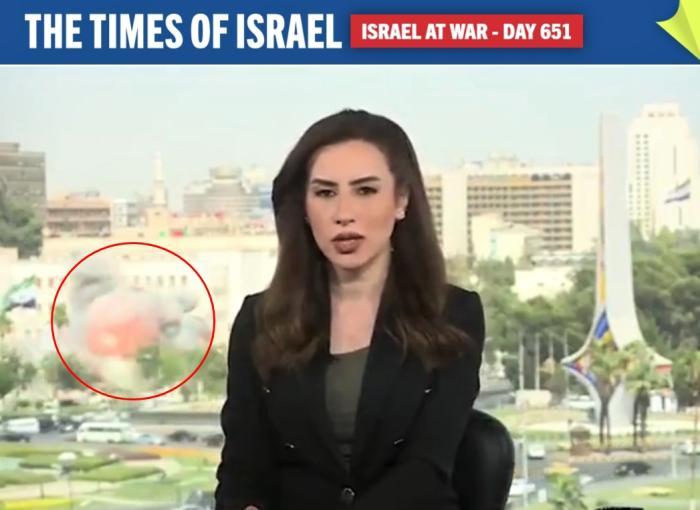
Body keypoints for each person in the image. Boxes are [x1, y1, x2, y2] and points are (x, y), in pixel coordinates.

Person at [214, 109, 485, 510]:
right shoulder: (260, 321)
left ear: (401, 200)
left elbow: (426, 468)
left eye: (365, 190)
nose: (343, 213)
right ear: (304, 208)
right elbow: (243, 470)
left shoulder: (453, 314)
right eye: (325, 193)